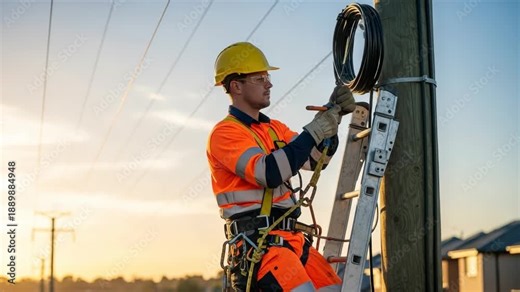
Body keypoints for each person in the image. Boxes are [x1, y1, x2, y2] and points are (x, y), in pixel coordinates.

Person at [206, 42, 355, 291]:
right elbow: (270, 173)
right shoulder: (225, 133)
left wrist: (332, 119)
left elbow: (315, 159)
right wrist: (314, 130)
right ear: (236, 86)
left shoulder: (275, 128)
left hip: (294, 243)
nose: (269, 83)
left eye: (268, 77)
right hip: (262, 247)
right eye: (260, 78)